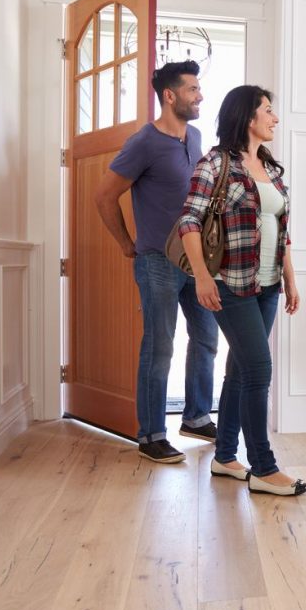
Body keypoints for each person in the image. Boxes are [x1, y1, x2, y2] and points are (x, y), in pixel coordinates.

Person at [176, 85, 306, 496]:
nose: (275, 117)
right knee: (258, 369)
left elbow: (280, 229)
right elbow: (189, 222)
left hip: (267, 283)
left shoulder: (270, 167)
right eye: (269, 110)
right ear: (249, 117)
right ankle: (264, 468)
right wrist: (200, 276)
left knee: (239, 369)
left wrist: (289, 277)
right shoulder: (216, 163)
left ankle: (225, 456)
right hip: (230, 284)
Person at [95, 60, 218, 464]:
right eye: (192, 89)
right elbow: (103, 196)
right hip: (157, 261)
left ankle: (197, 416)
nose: (199, 96)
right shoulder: (143, 142)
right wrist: (125, 243)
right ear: (170, 95)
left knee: (206, 339)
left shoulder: (196, 136)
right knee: (160, 345)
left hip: (196, 262)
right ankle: (150, 434)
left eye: (199, 89)